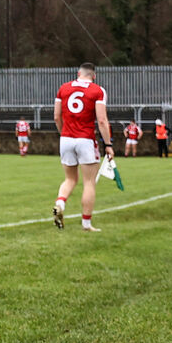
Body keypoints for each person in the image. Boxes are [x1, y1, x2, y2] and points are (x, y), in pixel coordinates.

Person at [52, 62, 113, 232]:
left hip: (66, 138)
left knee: (70, 179)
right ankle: (86, 224)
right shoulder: (97, 90)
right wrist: (108, 144)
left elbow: (56, 116)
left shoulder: (63, 88)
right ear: (94, 76)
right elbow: (102, 120)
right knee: (89, 182)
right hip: (85, 139)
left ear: (78, 73)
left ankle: (60, 203)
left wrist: (63, 133)